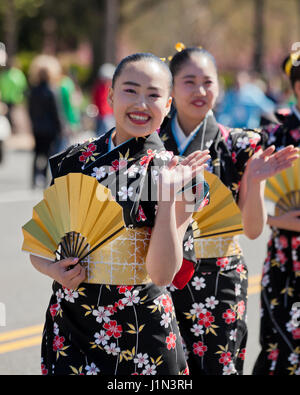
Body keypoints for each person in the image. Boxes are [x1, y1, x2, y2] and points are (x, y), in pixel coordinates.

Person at [25, 52, 211, 375]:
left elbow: (164, 275)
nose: (141, 103)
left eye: (153, 95)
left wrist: (167, 196)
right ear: (110, 95)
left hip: (141, 332)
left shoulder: (178, 174)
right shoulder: (74, 161)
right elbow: (38, 247)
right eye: (130, 90)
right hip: (72, 326)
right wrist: (54, 270)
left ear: (168, 105)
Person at [159, 45, 299, 375]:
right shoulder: (150, 144)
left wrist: (253, 178)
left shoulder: (241, 144)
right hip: (159, 273)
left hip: (219, 278)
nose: (199, 91)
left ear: (219, 87)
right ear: (171, 87)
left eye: (207, 82)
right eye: (188, 82)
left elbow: (252, 230)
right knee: (162, 371)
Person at [253, 53, 300, 375]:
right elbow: (243, 188)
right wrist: (274, 220)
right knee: (279, 337)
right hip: (285, 252)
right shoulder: (275, 126)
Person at [28, 55, 62, 188]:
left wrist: (34, 122)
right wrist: (60, 127)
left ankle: (33, 179)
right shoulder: (52, 91)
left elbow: (30, 110)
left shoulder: (33, 91)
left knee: (37, 153)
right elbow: (56, 112)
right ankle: (45, 178)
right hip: (50, 128)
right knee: (49, 154)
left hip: (37, 127)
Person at [0, 57, 27, 132]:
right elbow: (23, 85)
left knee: (9, 114)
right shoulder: (18, 74)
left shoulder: (4, 74)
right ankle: (14, 128)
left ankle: (12, 127)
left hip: (8, 97)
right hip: (15, 98)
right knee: (14, 114)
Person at [92, 63, 116, 137]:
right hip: (103, 115)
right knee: (102, 135)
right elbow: (98, 101)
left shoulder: (108, 87)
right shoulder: (100, 87)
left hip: (108, 115)